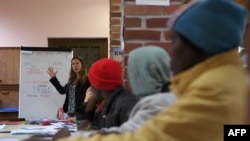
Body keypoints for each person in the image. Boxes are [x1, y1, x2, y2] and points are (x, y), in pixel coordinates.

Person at [26, 0, 249, 141]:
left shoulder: (215, 91)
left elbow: (141, 138)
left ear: (197, 43)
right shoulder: (214, 82)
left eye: (176, 41)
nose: (172, 52)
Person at [68, 46, 177, 137]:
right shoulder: (109, 104)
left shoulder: (135, 104)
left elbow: (124, 136)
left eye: (134, 73)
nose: (132, 79)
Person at [77, 58, 139, 130]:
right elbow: (85, 125)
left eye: (92, 81)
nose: (90, 87)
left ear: (98, 84)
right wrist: (90, 103)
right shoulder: (108, 103)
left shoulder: (126, 104)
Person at [47, 56, 92, 122]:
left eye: (77, 63)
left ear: (82, 65)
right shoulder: (72, 80)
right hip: (70, 112)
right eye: (73, 64)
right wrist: (54, 78)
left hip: (80, 112)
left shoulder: (87, 79)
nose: (75, 66)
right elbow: (62, 90)